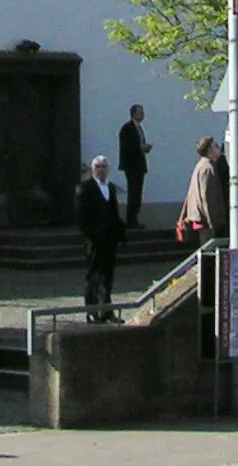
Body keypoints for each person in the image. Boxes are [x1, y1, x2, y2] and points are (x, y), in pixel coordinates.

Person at [76, 154, 126, 323]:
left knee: (107, 276)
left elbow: (114, 213)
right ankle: (91, 311)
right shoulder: (85, 188)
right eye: (98, 167)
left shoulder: (110, 188)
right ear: (92, 169)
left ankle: (106, 310)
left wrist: (121, 234)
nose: (101, 170)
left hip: (109, 240)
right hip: (93, 241)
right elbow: (81, 218)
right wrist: (92, 234)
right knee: (93, 276)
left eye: (104, 166)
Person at [177, 136, 227, 244]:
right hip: (205, 220)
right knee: (209, 251)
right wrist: (213, 223)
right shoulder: (208, 168)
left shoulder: (201, 165)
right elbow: (208, 198)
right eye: (215, 146)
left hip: (201, 219)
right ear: (209, 150)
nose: (218, 148)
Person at [117, 104, 152, 229]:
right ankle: (131, 220)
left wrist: (144, 148)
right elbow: (127, 146)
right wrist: (140, 147)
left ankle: (134, 218)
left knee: (137, 192)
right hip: (131, 166)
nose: (142, 114)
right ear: (134, 113)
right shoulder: (127, 128)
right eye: (140, 112)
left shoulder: (139, 128)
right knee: (133, 192)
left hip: (139, 165)